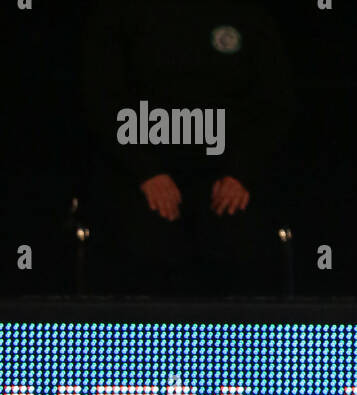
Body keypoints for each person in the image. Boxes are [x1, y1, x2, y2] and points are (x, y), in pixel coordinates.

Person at [81, 0, 295, 295]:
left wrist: (240, 173)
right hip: (143, 170)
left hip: (227, 173)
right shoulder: (121, 13)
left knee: (241, 243)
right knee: (146, 242)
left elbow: (275, 106)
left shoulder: (248, 15)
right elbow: (102, 100)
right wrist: (146, 171)